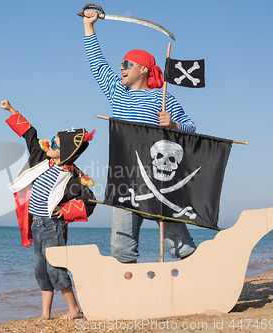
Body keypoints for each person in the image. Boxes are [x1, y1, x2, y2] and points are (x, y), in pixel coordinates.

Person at [82, 10, 197, 263]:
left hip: (159, 178)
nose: (120, 68)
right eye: (121, 64)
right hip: (124, 177)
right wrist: (88, 27)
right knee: (121, 245)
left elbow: (192, 127)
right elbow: (97, 63)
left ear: (143, 69)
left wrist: (175, 125)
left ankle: (194, 278)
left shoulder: (162, 98)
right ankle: (130, 290)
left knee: (177, 241)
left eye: (126, 64)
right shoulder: (116, 92)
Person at [0, 99, 96, 320]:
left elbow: (89, 202)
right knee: (40, 270)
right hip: (36, 224)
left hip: (53, 226)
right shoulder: (40, 157)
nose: (49, 144)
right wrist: (11, 110)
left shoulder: (74, 177)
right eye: (52, 140)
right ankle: (45, 313)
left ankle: (73, 309)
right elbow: (30, 133)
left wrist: (67, 212)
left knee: (56, 268)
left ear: (68, 153)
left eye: (55, 144)